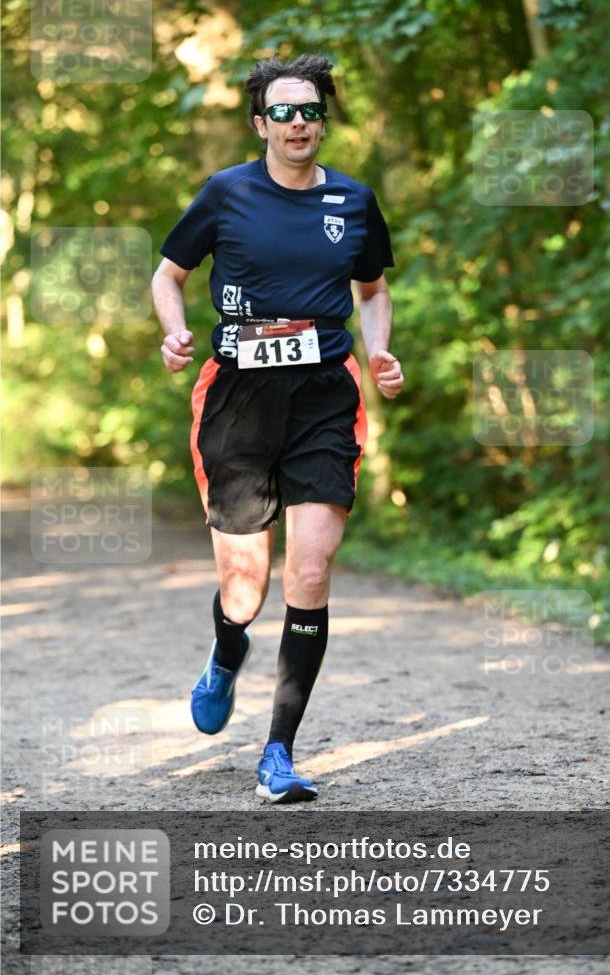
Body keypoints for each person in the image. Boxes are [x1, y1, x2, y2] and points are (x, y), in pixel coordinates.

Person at [151, 53, 403, 804]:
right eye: (284, 111)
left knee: (312, 571)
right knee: (244, 588)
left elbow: (373, 288)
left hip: (324, 394)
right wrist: (173, 332)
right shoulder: (225, 194)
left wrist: (380, 347)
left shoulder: (354, 202)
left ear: (323, 120)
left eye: (311, 110)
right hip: (238, 396)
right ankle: (227, 650)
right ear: (261, 123)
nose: (299, 122)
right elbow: (170, 274)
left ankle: (278, 753)